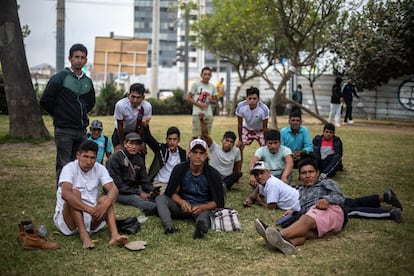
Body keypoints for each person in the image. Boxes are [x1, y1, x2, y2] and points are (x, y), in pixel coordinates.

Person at [255, 158, 347, 255]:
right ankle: (287, 244)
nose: (307, 176)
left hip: (330, 212)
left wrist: (326, 199)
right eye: (303, 173)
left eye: (310, 172)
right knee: (304, 233)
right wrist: (293, 211)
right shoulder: (302, 191)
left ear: (318, 173)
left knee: (305, 219)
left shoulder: (325, 183)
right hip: (320, 224)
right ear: (299, 176)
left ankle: (278, 234)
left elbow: (340, 196)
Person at [53, 140, 128, 249]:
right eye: (85, 156)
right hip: (68, 220)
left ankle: (115, 236)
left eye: (92, 158)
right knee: (75, 193)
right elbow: (65, 194)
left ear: (96, 157)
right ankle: (84, 236)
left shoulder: (100, 168)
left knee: (106, 199)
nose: (89, 162)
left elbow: (114, 189)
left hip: (90, 217)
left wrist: (105, 204)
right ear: (78, 155)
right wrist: (89, 209)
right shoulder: (69, 168)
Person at [40, 43, 95, 183]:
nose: (79, 60)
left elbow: (91, 103)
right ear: (70, 58)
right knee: (64, 165)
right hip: (64, 130)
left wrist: (79, 115)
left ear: (86, 60)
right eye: (76, 57)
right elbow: (45, 100)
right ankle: (62, 196)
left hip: (81, 130)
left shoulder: (88, 82)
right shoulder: (59, 78)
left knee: (80, 164)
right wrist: (60, 114)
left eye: (83, 57)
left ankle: (76, 193)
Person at [155, 139, 225, 239]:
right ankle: (169, 226)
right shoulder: (179, 169)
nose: (198, 156)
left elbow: (218, 202)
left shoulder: (213, 174)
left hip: (202, 207)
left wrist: (203, 207)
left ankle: (200, 229)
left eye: (201, 153)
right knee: (160, 199)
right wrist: (181, 202)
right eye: (195, 152)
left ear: (205, 156)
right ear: (189, 154)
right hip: (183, 207)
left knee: (204, 217)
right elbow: (171, 193)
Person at [106, 133, 158, 216]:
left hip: (132, 188)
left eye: (137, 144)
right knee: (136, 199)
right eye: (131, 143)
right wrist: (138, 192)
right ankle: (156, 209)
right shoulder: (115, 158)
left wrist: (151, 190)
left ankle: (161, 206)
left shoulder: (139, 159)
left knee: (153, 197)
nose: (134, 147)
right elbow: (118, 185)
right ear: (125, 144)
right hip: (117, 191)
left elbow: (144, 179)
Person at [199, 113, 242, 190]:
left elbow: (237, 166)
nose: (228, 143)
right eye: (227, 140)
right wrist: (201, 120)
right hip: (214, 174)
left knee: (238, 174)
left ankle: (223, 185)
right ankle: (215, 184)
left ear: (233, 144)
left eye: (231, 142)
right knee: (204, 160)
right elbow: (205, 135)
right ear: (222, 140)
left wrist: (236, 179)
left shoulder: (236, 151)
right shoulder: (214, 147)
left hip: (226, 177)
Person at [141, 123, 187, 194]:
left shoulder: (182, 153)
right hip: (160, 183)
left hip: (174, 184)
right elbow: (149, 138)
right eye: (170, 139)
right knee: (168, 195)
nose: (172, 142)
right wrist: (146, 126)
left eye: (174, 139)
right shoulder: (161, 149)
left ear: (178, 140)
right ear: (166, 139)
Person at [112, 83, 152, 153]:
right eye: (133, 97)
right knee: (120, 152)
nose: (135, 100)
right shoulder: (120, 105)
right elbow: (120, 126)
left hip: (136, 131)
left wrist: (138, 142)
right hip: (121, 132)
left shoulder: (147, 107)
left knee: (140, 151)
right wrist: (122, 144)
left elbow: (142, 128)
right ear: (128, 95)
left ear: (143, 97)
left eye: (138, 97)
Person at [235, 86, 270, 166]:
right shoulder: (240, 106)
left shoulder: (264, 109)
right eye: (249, 98)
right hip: (247, 128)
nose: (252, 101)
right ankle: (237, 170)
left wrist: (266, 141)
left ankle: (264, 168)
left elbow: (265, 127)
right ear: (246, 98)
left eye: (254, 98)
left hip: (260, 130)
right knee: (238, 147)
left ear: (258, 99)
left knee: (266, 149)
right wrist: (240, 139)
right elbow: (239, 124)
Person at [187, 66, 217, 138]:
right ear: (201, 75)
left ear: (211, 76)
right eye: (205, 74)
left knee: (206, 136)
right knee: (195, 136)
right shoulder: (196, 85)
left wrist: (211, 100)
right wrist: (199, 105)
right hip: (197, 113)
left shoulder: (212, 87)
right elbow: (189, 98)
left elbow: (215, 101)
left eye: (208, 74)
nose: (207, 76)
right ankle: (192, 149)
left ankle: (203, 149)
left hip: (208, 114)